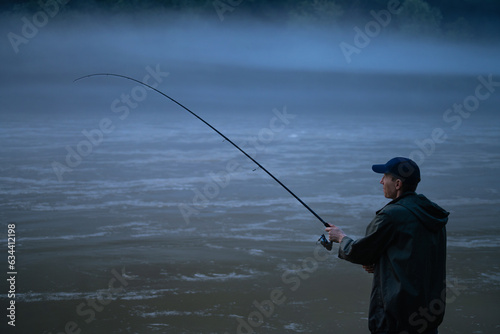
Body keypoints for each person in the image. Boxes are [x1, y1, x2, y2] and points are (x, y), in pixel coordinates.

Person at [326, 157, 449, 334]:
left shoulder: (391, 215)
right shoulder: (432, 213)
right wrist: (382, 265)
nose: (381, 181)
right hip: (428, 313)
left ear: (398, 183)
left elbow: (359, 252)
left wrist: (341, 237)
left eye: (385, 177)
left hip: (397, 315)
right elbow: (416, 257)